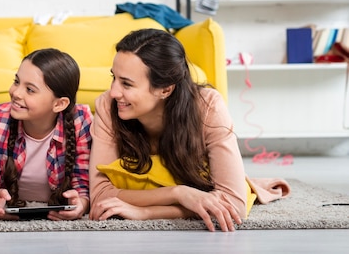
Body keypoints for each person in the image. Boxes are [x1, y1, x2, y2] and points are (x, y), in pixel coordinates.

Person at [89, 28, 280, 232]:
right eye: (114, 78)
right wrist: (178, 194)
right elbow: (100, 195)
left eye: (126, 84)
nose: (114, 91)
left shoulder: (208, 107)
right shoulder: (107, 106)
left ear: (165, 89)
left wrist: (146, 213)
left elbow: (234, 205)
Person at [0, 48, 92, 220]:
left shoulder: (81, 120)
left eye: (30, 90)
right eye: (16, 82)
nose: (16, 93)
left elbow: (82, 186)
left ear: (59, 104)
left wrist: (81, 205)